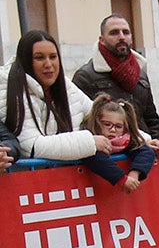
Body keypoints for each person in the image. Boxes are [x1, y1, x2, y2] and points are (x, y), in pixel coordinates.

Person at [3, 30, 104, 163]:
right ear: (26, 60)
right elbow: (31, 146)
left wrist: (132, 137)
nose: (48, 64)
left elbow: (101, 115)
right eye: (39, 58)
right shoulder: (10, 89)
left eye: (53, 57)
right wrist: (90, 142)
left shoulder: (65, 85)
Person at [73, 15, 159, 144]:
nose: (121, 37)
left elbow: (151, 119)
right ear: (102, 40)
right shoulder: (85, 76)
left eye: (126, 32)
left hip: (143, 148)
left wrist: (157, 143)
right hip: (108, 151)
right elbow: (80, 122)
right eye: (114, 33)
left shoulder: (141, 74)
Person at [83, 95, 157, 192]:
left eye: (118, 126)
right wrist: (121, 179)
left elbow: (146, 152)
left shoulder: (124, 142)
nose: (113, 130)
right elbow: (95, 158)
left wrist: (135, 173)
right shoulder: (90, 143)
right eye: (107, 124)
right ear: (96, 122)